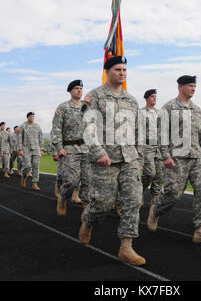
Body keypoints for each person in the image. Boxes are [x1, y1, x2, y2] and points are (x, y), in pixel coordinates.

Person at [79, 55, 145, 266]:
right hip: (104, 160)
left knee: (134, 201)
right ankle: (88, 221)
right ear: (108, 71)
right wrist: (99, 153)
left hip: (129, 159)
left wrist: (139, 156)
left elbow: (138, 131)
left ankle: (126, 246)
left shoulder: (131, 100)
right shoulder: (94, 97)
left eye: (124, 70)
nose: (122, 73)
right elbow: (88, 129)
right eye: (118, 69)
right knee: (103, 204)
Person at [146, 75, 201, 245]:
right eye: (190, 86)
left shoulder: (197, 109)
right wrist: (166, 156)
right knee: (173, 194)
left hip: (196, 157)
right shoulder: (169, 108)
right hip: (176, 158)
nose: (193, 89)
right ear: (180, 86)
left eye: (194, 86)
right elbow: (161, 134)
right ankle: (156, 210)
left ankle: (200, 229)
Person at [51, 79, 90, 216]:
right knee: (71, 181)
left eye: (81, 88)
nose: (79, 90)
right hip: (70, 149)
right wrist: (59, 148)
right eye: (76, 88)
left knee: (87, 181)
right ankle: (62, 197)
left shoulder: (87, 108)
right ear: (70, 91)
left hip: (86, 149)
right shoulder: (63, 108)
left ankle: (86, 210)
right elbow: (56, 130)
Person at [140, 89, 164, 206]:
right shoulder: (140, 113)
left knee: (159, 175)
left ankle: (155, 200)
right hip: (146, 146)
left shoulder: (160, 113)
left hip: (159, 148)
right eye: (152, 96)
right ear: (146, 98)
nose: (154, 98)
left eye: (155, 96)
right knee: (149, 173)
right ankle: (140, 191)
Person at [18, 112, 43, 190]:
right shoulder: (23, 126)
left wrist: (42, 149)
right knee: (27, 166)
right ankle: (24, 177)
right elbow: (19, 138)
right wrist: (20, 149)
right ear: (27, 117)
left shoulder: (37, 126)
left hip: (36, 149)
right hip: (26, 149)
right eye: (30, 116)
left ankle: (35, 183)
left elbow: (40, 138)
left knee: (36, 166)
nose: (32, 118)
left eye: (33, 116)